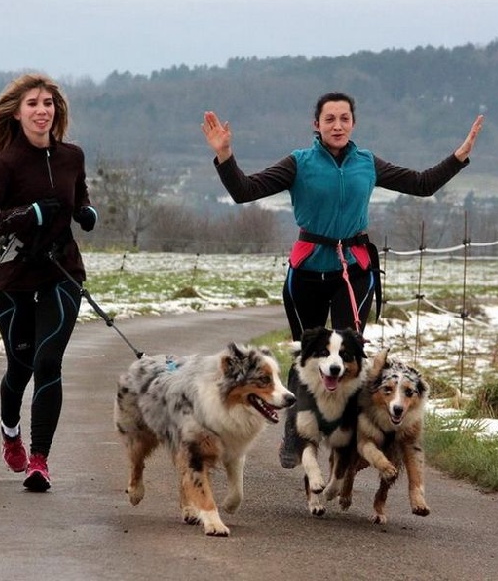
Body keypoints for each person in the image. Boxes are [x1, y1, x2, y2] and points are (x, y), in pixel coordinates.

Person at [201, 92, 483, 468]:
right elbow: (244, 191)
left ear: (353, 124)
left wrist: (459, 157)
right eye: (329, 119)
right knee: (309, 353)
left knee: (348, 353)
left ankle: (346, 435)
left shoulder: (366, 162)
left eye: (344, 119)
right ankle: (296, 430)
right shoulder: (298, 163)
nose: (337, 125)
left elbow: (422, 183)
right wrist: (224, 155)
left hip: (353, 270)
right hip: (307, 270)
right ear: (316, 125)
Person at [0, 73, 98, 491]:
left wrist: (84, 213)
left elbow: (79, 196)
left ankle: (40, 460)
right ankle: (10, 430)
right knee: (20, 368)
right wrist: (28, 215)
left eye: (48, 103)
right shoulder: (5, 163)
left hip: (62, 273)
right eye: (33, 104)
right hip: (15, 279)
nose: (42, 110)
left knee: (47, 362)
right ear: (17, 113)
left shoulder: (71, 156)